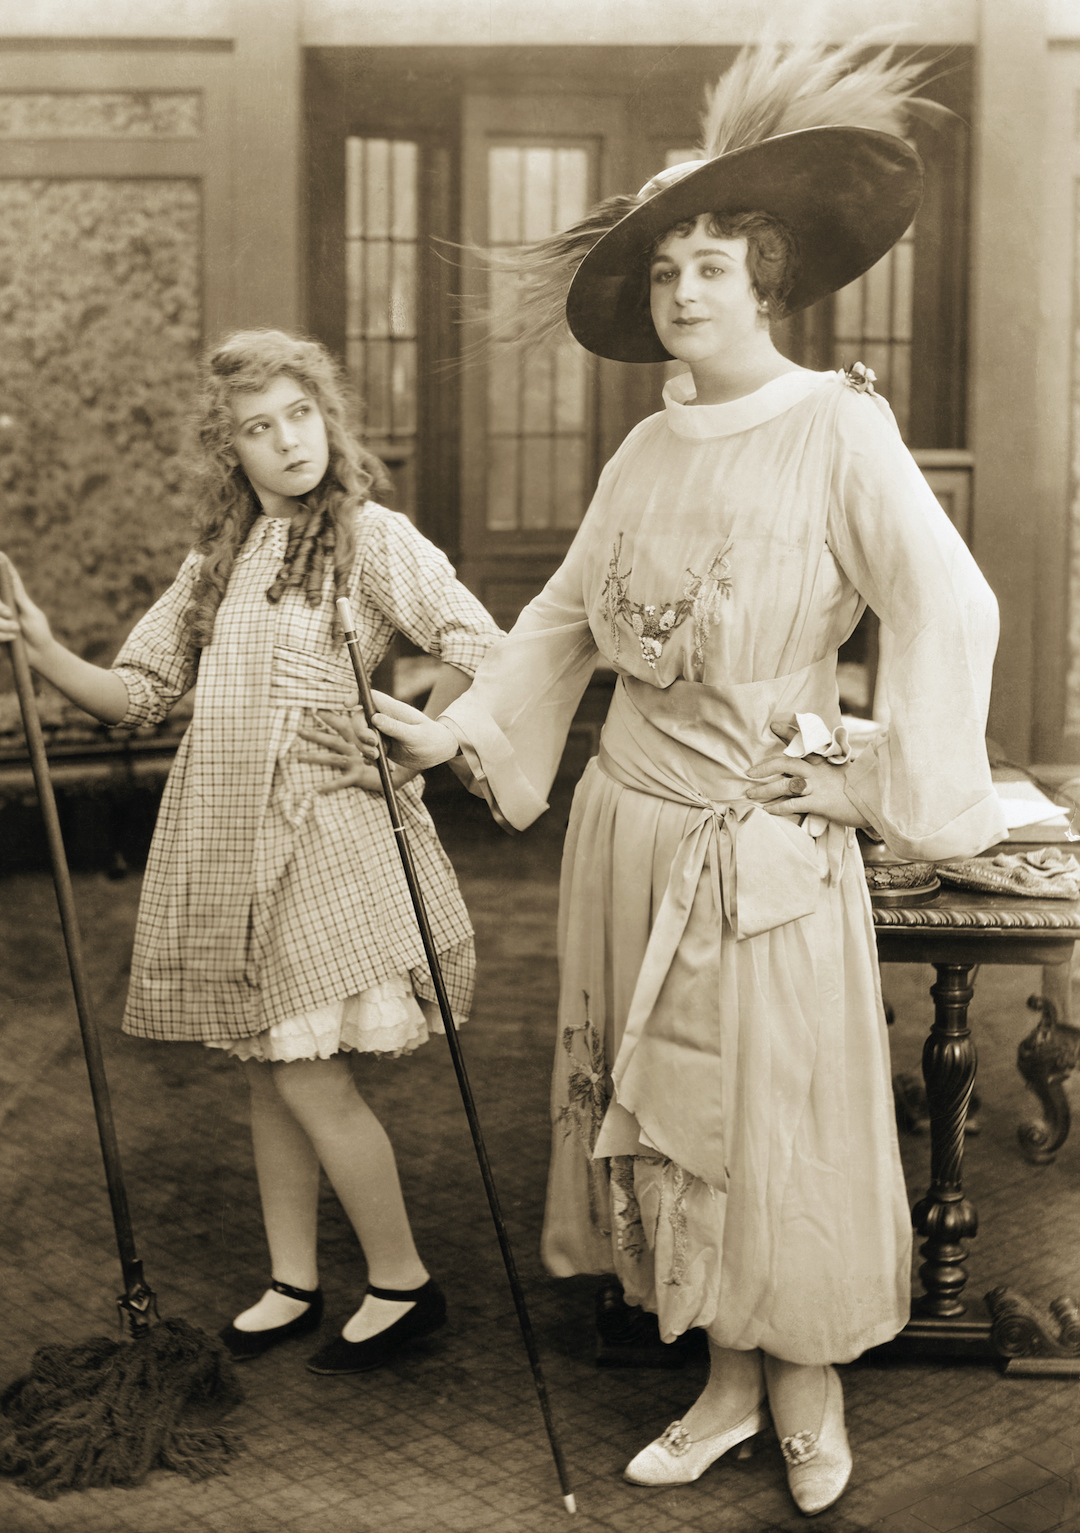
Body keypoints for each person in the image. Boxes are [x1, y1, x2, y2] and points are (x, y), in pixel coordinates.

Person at [361, 40, 1006, 1517]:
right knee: (660, 1119)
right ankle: (722, 1382)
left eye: (713, 263)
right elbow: (566, 623)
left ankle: (806, 1388)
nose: (686, 289)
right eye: (665, 271)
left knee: (770, 1113)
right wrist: (455, 731)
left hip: (758, 846)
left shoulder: (841, 428)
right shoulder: (646, 447)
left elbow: (948, 606)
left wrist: (876, 780)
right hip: (628, 830)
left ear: (768, 280)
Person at [0, 328, 502, 1376]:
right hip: (226, 836)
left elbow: (483, 649)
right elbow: (138, 694)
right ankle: (292, 1279)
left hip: (324, 832)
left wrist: (409, 746)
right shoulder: (214, 565)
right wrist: (42, 649)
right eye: (259, 430)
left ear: (328, 417)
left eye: (300, 415)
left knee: (309, 1074)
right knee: (270, 1070)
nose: (287, 442)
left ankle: (403, 1282)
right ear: (233, 452)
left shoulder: (373, 538)